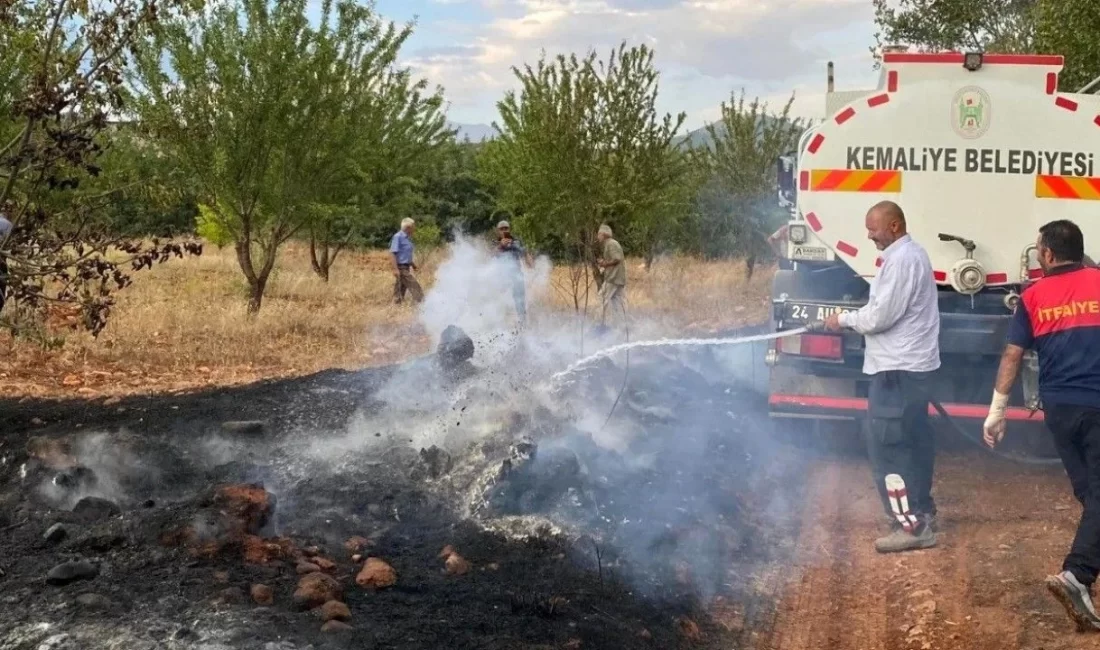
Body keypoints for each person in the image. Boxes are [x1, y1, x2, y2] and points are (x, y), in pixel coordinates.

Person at [984, 220, 1100, 632]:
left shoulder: (1033, 297)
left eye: (1038, 252)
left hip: (1060, 412)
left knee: (1091, 493)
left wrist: (997, 412)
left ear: (1048, 255)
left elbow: (1012, 356)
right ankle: (1078, 575)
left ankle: (1083, 579)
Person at [823, 200, 941, 553]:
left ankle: (912, 526)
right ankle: (922, 510)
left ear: (894, 226)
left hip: (896, 369)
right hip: (910, 368)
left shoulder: (902, 260)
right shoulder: (909, 257)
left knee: (888, 447)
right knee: (913, 439)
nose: (869, 235)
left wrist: (842, 320)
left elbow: (880, 318)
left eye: (873, 228)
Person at [495, 220, 529, 325]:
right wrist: (501, 246)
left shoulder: (516, 242)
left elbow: (525, 254)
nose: (504, 230)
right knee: (501, 303)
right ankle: (502, 325)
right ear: (498, 231)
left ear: (509, 229)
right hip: (502, 279)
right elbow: (490, 255)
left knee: (520, 302)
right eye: (502, 229)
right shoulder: (495, 243)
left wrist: (514, 246)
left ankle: (522, 325)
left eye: (506, 228)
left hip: (516, 277)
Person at [596, 224, 626, 330]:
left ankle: (600, 326)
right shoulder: (611, 244)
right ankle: (620, 328)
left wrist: (604, 264)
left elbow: (616, 259)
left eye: (599, 233)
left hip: (613, 278)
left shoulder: (611, 244)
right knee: (618, 304)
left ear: (604, 234)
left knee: (601, 298)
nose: (597, 236)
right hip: (618, 278)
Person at [390, 218, 423, 305]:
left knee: (400, 289)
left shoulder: (407, 239)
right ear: (408, 227)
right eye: (413, 227)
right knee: (415, 286)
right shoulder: (398, 237)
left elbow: (405, 254)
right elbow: (393, 253)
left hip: (406, 266)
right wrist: (395, 269)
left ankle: (395, 307)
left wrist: (413, 265)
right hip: (401, 267)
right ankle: (423, 304)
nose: (414, 229)